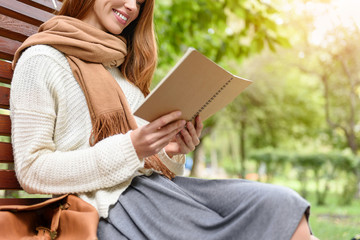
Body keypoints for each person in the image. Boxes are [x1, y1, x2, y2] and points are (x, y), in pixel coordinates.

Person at [10, 0, 318, 239]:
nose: (132, 7)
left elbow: (141, 158)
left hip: (156, 192)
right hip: (109, 209)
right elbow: (32, 170)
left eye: (141, 2)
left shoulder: (122, 73)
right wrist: (132, 147)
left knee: (280, 204)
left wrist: (169, 150)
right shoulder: (42, 60)